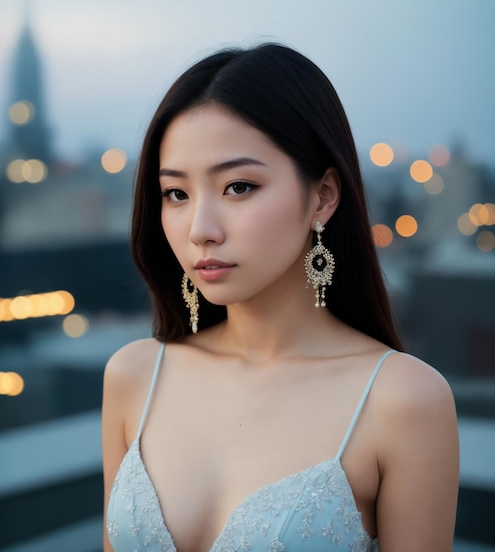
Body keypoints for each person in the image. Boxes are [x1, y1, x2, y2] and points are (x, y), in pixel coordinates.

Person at [102, 43, 459, 552]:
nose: (201, 230)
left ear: (323, 196)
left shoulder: (402, 400)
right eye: (176, 194)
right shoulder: (133, 376)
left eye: (239, 186)